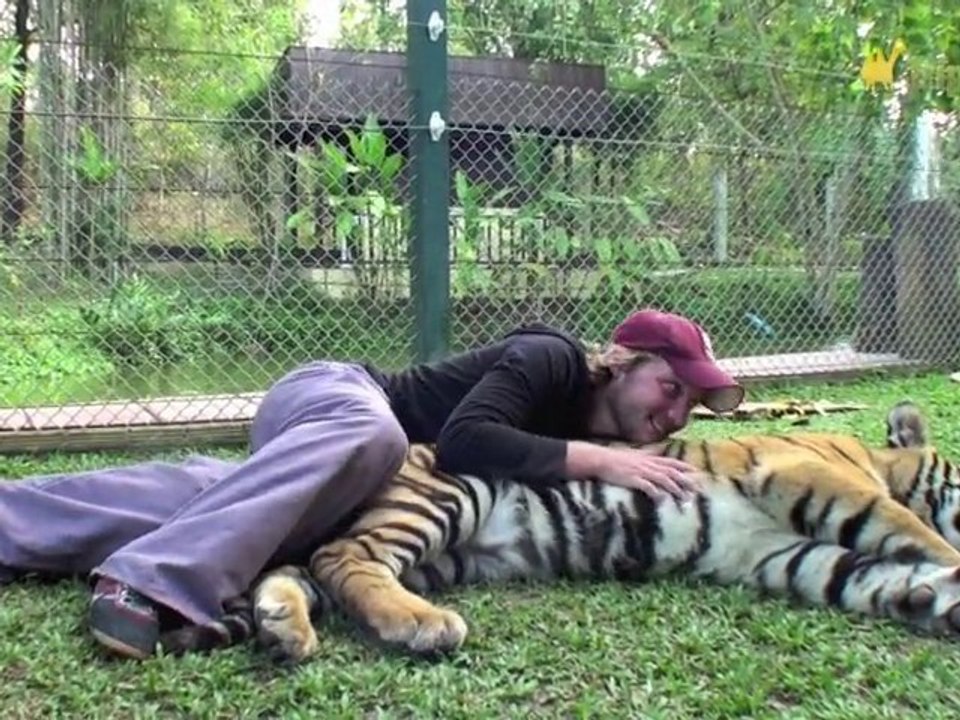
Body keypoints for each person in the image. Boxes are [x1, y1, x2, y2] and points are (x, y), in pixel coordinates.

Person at [0, 308, 744, 660]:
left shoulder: (603, 433)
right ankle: (152, 581)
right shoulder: (552, 358)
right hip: (338, 399)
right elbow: (465, 440)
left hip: (346, 478)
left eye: (692, 405)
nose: (677, 413)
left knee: (220, 503)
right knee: (377, 437)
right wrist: (602, 461)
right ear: (621, 361)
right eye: (670, 386)